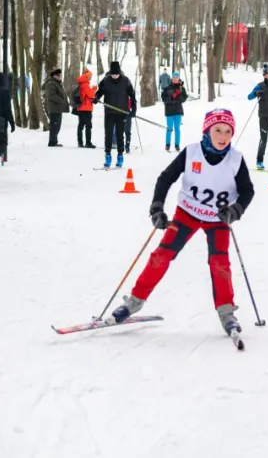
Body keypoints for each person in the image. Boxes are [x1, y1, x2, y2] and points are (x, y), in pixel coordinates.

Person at [107, 109, 255, 336]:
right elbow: (165, 178)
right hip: (187, 212)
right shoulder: (191, 153)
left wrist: (236, 210)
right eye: (217, 130)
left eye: (228, 131)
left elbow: (247, 191)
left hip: (218, 218)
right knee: (161, 255)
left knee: (220, 263)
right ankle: (134, 302)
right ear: (207, 131)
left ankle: (227, 313)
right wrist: (157, 208)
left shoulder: (235, 159)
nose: (223, 136)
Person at [95, 61, 136, 168]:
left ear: (119, 72)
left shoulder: (126, 81)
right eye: (113, 74)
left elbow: (132, 95)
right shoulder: (106, 81)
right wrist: (96, 97)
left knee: (119, 135)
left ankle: (120, 155)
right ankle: (107, 155)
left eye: (116, 74)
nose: (114, 76)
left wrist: (134, 109)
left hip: (121, 113)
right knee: (108, 134)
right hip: (109, 112)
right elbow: (100, 92)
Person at [42, 68, 69, 147]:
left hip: (58, 108)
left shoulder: (57, 83)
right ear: (54, 76)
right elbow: (51, 95)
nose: (59, 76)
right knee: (54, 126)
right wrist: (61, 100)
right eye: (58, 75)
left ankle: (54, 141)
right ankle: (52, 142)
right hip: (54, 108)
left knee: (57, 126)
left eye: (59, 75)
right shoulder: (51, 83)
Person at [162, 71, 186, 152]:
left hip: (178, 111)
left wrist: (178, 96)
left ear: (179, 78)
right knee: (169, 128)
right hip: (169, 112)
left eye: (177, 77)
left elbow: (184, 98)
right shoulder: (167, 88)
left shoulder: (181, 88)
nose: (175, 79)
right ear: (172, 78)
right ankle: (167, 144)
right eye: (174, 77)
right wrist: (172, 97)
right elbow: (164, 99)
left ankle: (177, 145)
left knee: (177, 129)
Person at [75, 68, 97, 148]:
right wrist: (94, 89)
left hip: (80, 108)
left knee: (80, 125)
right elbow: (91, 95)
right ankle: (88, 143)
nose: (91, 78)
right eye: (90, 76)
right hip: (86, 108)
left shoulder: (81, 84)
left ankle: (80, 142)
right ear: (87, 76)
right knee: (88, 125)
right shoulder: (85, 84)